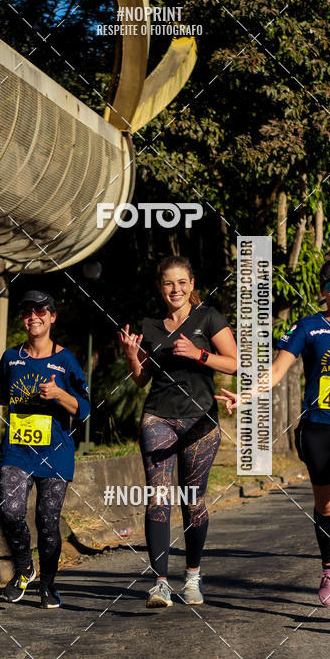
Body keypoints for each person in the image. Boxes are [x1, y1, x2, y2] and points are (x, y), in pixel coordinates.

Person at [217, 257, 330, 609]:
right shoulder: (308, 326)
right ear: (323, 289)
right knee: (326, 505)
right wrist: (244, 395)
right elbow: (275, 373)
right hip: (318, 428)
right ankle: (328, 566)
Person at [119, 256, 238, 608]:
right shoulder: (150, 325)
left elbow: (234, 364)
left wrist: (200, 355)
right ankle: (158, 583)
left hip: (200, 422)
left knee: (192, 500)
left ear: (192, 283)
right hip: (159, 416)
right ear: (160, 287)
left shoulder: (209, 317)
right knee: (158, 496)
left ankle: (192, 577)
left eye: (182, 282)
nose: (176, 289)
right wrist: (131, 356)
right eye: (169, 283)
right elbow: (141, 380)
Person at [0, 290, 90, 609]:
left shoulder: (65, 360)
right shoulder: (11, 357)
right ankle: (24, 569)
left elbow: (83, 407)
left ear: (52, 316)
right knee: (10, 511)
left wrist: (57, 394)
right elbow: (5, 395)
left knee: (47, 522)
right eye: (27, 312)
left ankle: (49, 585)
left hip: (55, 452)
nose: (33, 317)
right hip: (17, 450)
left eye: (41, 311)